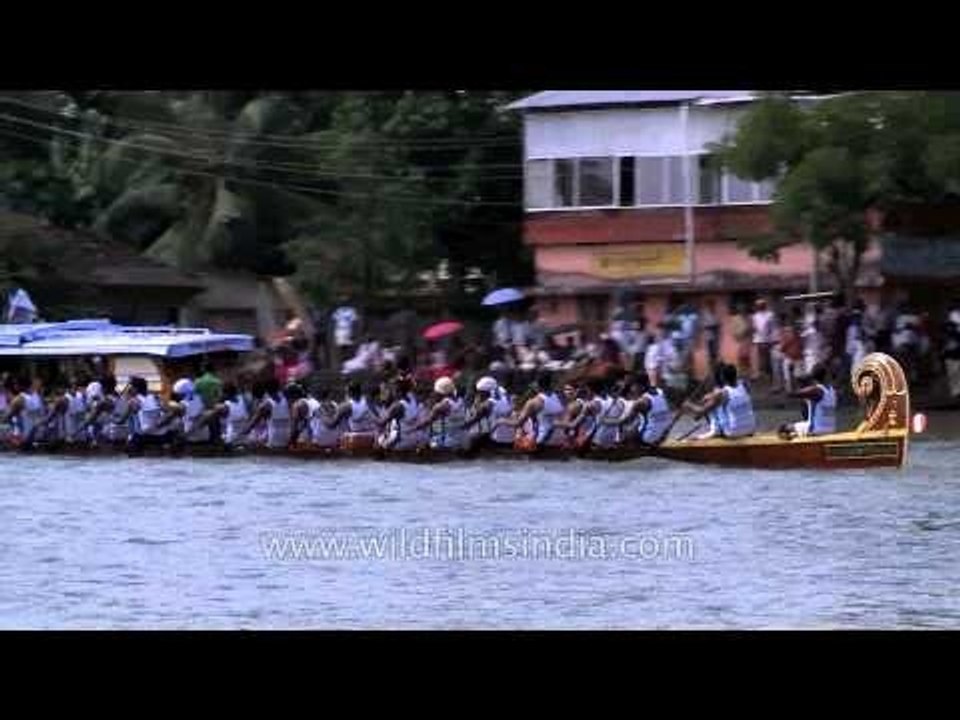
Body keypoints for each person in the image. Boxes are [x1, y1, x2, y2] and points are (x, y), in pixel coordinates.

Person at [681, 363, 756, 440]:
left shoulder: (721, 394)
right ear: (736, 375)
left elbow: (700, 411)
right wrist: (711, 396)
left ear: (722, 378)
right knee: (718, 403)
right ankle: (715, 430)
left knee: (714, 407)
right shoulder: (745, 385)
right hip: (751, 429)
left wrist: (688, 405)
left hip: (733, 432)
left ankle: (714, 431)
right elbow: (734, 391)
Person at [492, 372, 565, 451]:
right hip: (558, 441)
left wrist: (501, 421)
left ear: (538, 384)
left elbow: (517, 423)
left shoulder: (533, 402)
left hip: (540, 442)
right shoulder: (559, 397)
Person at [605, 372, 674, 447]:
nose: (631, 389)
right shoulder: (662, 393)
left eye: (633, 386)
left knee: (625, 430)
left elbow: (624, 421)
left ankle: (622, 445)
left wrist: (606, 421)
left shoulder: (640, 402)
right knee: (638, 421)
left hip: (647, 438)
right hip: (663, 436)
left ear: (641, 387)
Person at [779, 365, 837, 439]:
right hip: (831, 430)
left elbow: (791, 393)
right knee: (805, 415)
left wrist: (790, 373)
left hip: (815, 430)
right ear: (826, 375)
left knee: (783, 428)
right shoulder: (832, 390)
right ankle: (797, 436)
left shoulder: (816, 391)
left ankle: (794, 440)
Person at [411, 376, 469, 451]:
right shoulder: (461, 401)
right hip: (463, 440)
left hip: (447, 443)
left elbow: (427, 422)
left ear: (439, 392)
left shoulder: (440, 406)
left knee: (420, 446)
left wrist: (412, 429)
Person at [461, 376, 515, 450]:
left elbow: (476, 415)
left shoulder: (489, 402)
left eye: (480, 392)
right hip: (511, 438)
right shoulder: (505, 395)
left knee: (471, 438)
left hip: (496, 439)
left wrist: (462, 427)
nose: (479, 394)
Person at [376, 377, 426, 452]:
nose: (392, 393)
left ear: (398, 392)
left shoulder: (397, 406)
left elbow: (382, 423)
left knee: (379, 441)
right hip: (416, 439)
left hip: (402, 441)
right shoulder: (413, 399)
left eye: (393, 390)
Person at [751, 298, 776, 381]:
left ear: (765, 306)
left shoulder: (770, 315)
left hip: (768, 340)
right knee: (762, 359)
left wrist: (772, 339)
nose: (760, 307)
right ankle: (765, 375)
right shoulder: (755, 316)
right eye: (758, 306)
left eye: (761, 305)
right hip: (759, 340)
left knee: (768, 359)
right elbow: (754, 328)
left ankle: (771, 375)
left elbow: (773, 328)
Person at [701, 300, 720, 370]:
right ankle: (711, 368)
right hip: (709, 337)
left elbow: (717, 323)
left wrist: (716, 326)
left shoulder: (715, 313)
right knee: (710, 353)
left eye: (713, 305)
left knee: (715, 353)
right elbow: (704, 326)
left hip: (715, 336)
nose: (712, 307)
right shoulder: (705, 314)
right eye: (710, 305)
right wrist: (712, 326)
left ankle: (715, 367)